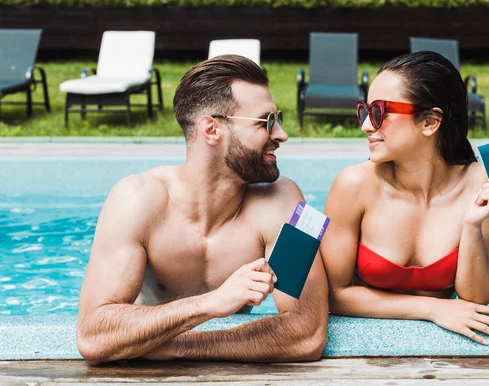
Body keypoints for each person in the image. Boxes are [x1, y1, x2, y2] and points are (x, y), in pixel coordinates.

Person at [76, 55, 328, 365]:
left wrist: (181, 347)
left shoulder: (287, 201)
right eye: (266, 122)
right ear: (211, 129)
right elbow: (92, 335)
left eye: (278, 119)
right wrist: (211, 303)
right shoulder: (135, 199)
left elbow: (308, 333)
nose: (281, 134)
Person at [320, 51, 489, 345]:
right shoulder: (354, 185)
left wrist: (472, 226)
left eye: (380, 112)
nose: (367, 126)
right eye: (366, 111)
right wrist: (432, 308)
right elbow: (334, 295)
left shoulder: (483, 184)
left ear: (430, 122)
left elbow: (477, 297)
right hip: (363, 345)